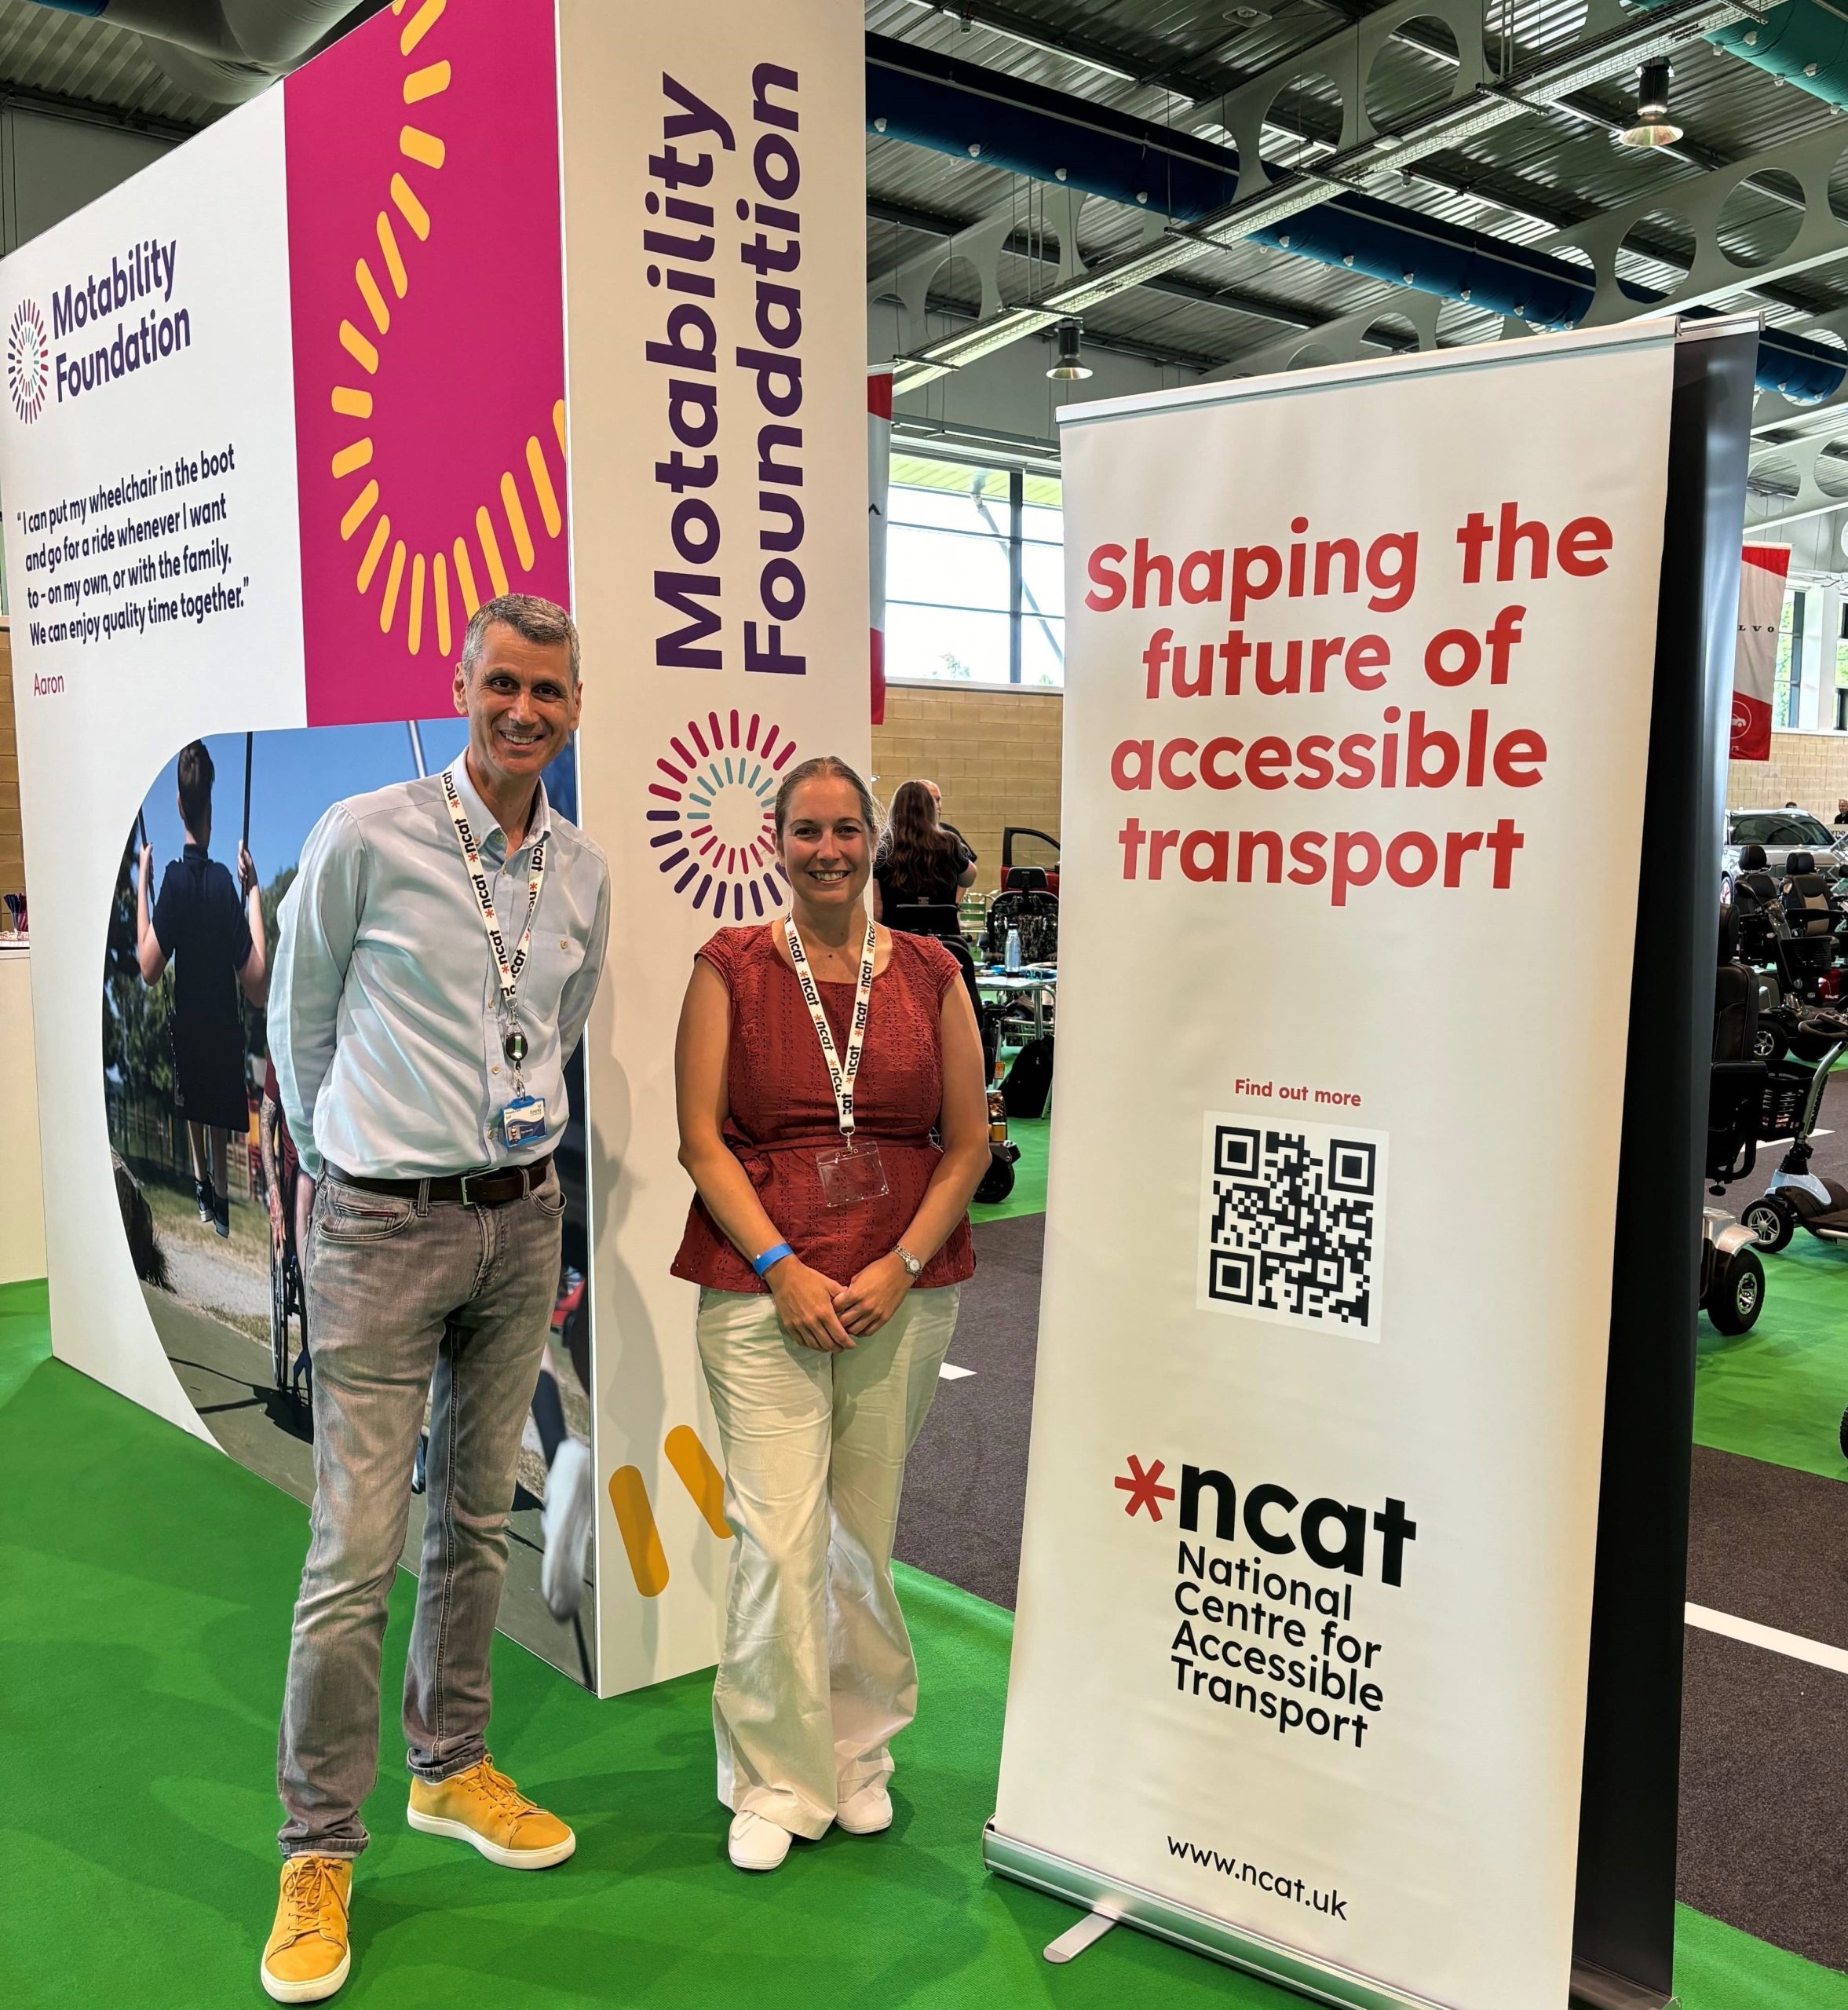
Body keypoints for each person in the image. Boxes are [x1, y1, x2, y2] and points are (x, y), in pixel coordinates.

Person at [261, 594, 609, 2004]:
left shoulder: (582, 872)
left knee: (473, 1519)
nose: (525, 711)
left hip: (517, 1221)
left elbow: (562, 1028)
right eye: (503, 685)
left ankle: (450, 1767)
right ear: (462, 686)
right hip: (381, 1228)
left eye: (550, 692)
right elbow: (301, 1017)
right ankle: (315, 1846)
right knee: (352, 1552)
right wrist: (339, 1164)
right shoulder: (365, 834)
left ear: (575, 708)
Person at [672, 755, 991, 1872]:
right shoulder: (729, 967)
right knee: (777, 1538)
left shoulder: (935, 972)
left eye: (844, 830)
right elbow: (701, 1140)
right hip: (762, 1289)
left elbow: (967, 1145)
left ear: (871, 840)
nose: (827, 850)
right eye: (805, 831)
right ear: (775, 840)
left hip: (897, 1289)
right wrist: (777, 1265)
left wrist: (902, 1262)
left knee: (861, 1538)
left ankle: (856, 1757)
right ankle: (771, 1776)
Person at [136, 740, 268, 1237]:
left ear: (178, 806)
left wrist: (142, 886)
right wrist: (252, 892)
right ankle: (216, 1192)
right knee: (212, 1089)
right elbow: (257, 986)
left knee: (194, 1087)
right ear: (210, 805)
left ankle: (201, 1184)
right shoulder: (221, 887)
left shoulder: (171, 883)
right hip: (219, 1030)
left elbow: (148, 969)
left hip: (191, 1027)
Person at [872, 778, 977, 934]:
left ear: (896, 809)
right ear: (930, 809)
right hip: (946, 941)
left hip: (897, 940)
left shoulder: (883, 848)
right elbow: (969, 878)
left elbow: (877, 910)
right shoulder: (950, 843)